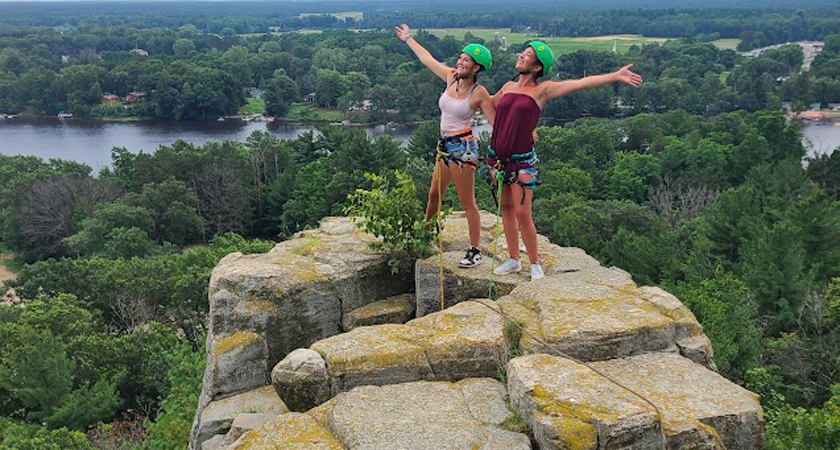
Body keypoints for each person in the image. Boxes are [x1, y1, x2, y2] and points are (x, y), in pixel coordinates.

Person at [488, 41, 642, 280]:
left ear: (537, 67)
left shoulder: (543, 90)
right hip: (499, 159)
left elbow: (579, 84)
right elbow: (490, 104)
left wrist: (615, 76)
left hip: (522, 161)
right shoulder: (507, 86)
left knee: (522, 212)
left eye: (527, 55)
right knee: (506, 208)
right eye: (523, 53)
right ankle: (513, 260)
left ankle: (535, 264)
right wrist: (466, 91)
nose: (521, 56)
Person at [395, 24, 497, 268]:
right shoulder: (451, 78)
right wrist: (408, 38)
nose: (461, 62)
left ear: (477, 68)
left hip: (463, 148)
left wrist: (523, 134)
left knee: (466, 201)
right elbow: (426, 58)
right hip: (444, 145)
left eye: (467, 60)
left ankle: (474, 250)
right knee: (433, 195)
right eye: (461, 58)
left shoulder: (479, 92)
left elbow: (497, 123)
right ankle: (425, 235)